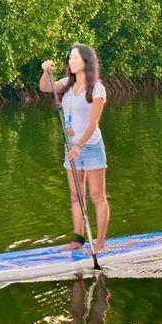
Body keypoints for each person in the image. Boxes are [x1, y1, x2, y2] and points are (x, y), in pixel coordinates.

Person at [40, 44, 110, 252]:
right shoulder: (67, 85)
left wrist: (80, 145)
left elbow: (93, 123)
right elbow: (45, 87)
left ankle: (99, 244)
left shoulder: (97, 88)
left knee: (97, 196)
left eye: (76, 58)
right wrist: (45, 71)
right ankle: (78, 240)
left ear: (86, 62)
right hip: (71, 148)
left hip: (91, 148)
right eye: (70, 58)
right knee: (75, 196)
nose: (71, 61)